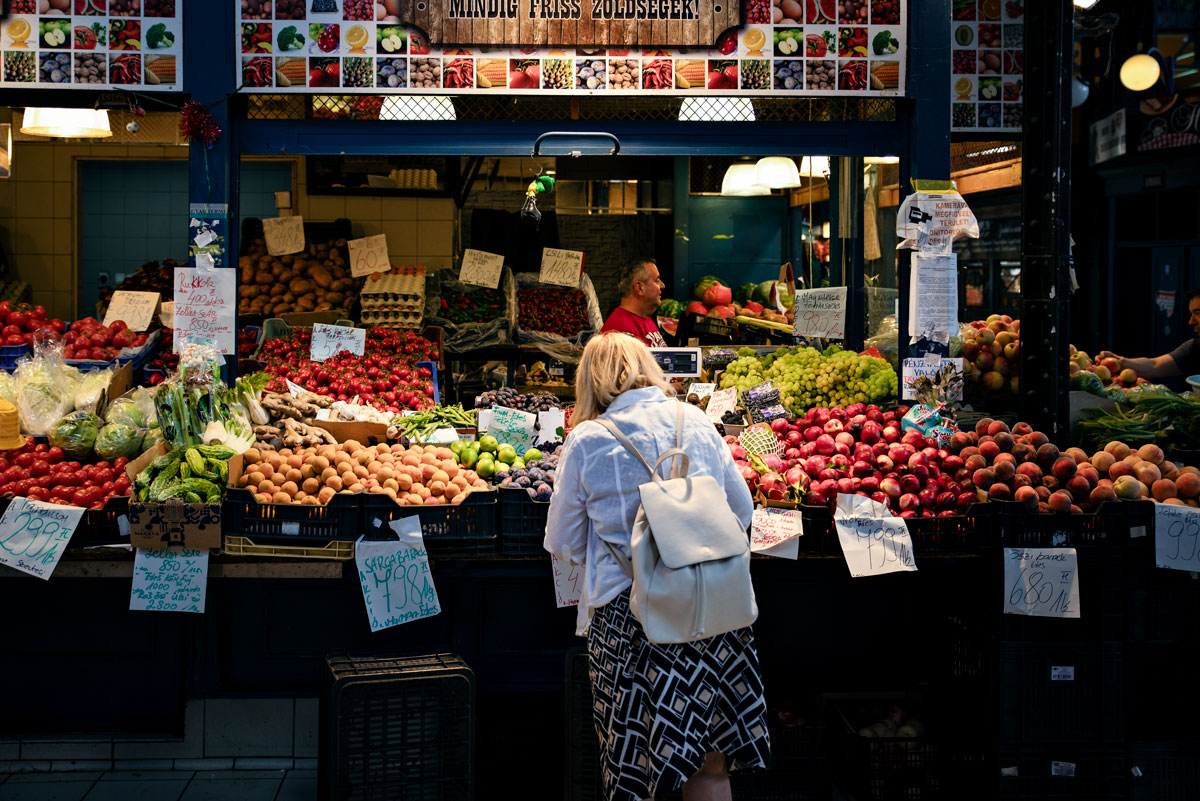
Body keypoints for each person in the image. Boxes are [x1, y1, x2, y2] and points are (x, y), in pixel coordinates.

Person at [544, 332, 770, 801]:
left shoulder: (587, 439)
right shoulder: (697, 421)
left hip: (630, 620)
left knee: (637, 770)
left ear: (591, 381)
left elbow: (562, 542)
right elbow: (743, 512)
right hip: (711, 609)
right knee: (710, 764)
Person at [1110, 288, 1200, 379]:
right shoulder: (1195, 347)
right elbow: (1154, 366)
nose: (1191, 321)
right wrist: (1117, 362)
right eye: (1192, 313)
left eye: (1197, 313)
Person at [601, 258, 668, 347]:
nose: (662, 285)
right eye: (657, 280)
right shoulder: (621, 333)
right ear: (640, 288)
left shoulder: (644, 317)